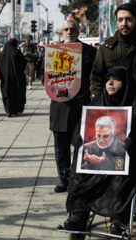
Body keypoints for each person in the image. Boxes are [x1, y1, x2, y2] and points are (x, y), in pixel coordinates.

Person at [62, 66, 136, 235]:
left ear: (126, 83)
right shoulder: (97, 103)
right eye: (108, 79)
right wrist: (82, 143)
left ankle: (119, 218)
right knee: (78, 167)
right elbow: (80, 132)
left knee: (122, 172)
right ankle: (79, 214)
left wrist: (132, 141)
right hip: (94, 156)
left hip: (124, 158)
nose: (110, 83)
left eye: (115, 80)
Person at [50, 19, 97, 193]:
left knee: (82, 145)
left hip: (81, 106)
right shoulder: (53, 52)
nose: (69, 32)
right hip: (60, 107)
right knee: (60, 146)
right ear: (62, 32)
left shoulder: (90, 52)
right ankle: (64, 178)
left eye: (72, 29)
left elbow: (95, 78)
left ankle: (78, 179)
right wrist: (63, 93)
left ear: (78, 31)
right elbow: (46, 79)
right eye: (66, 29)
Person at [0, 38, 27, 117]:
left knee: (7, 93)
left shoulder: (3, 55)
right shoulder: (17, 52)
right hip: (17, 78)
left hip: (6, 79)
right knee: (17, 92)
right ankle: (16, 109)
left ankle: (8, 110)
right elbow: (24, 62)